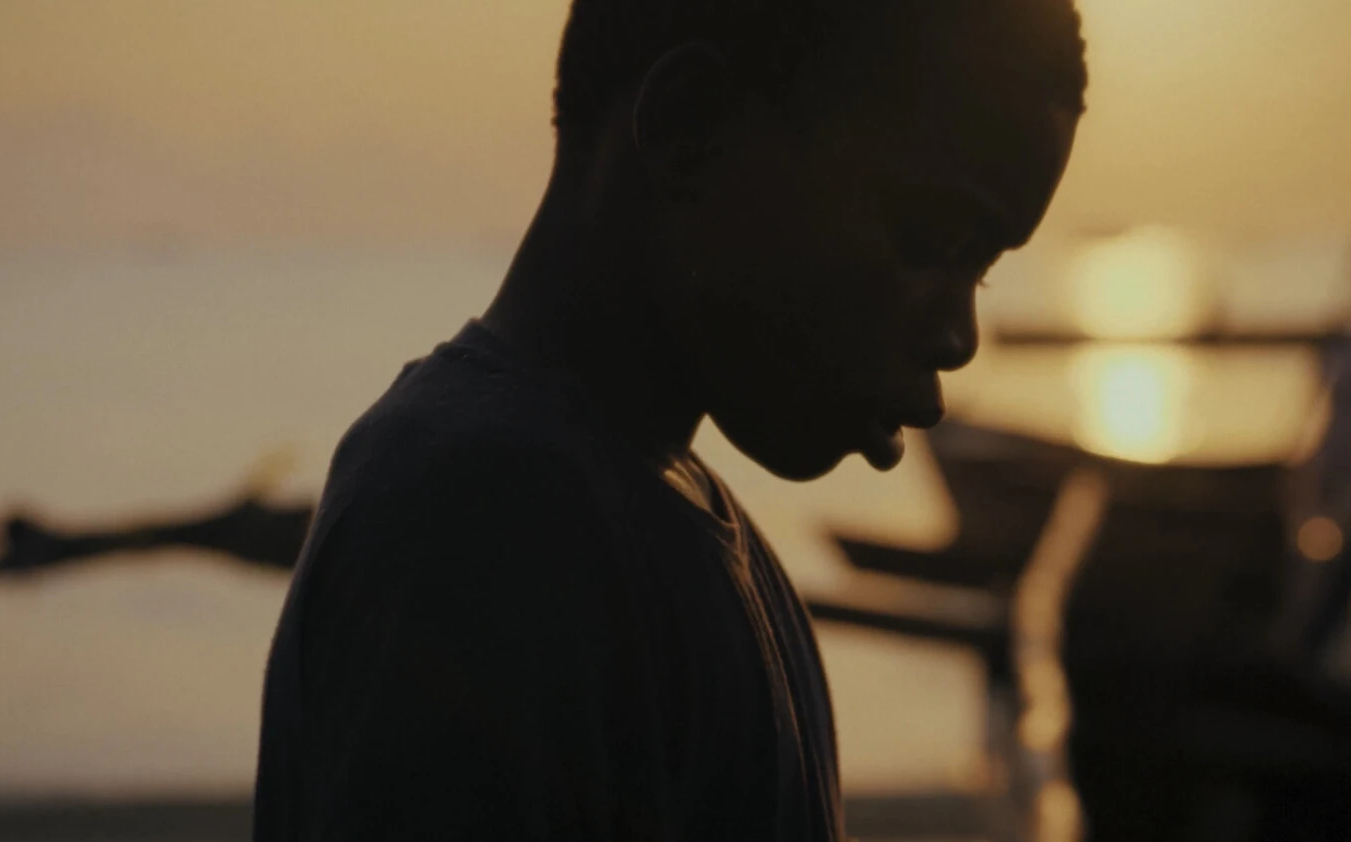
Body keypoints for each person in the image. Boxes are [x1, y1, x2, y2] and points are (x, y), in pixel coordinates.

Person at [251, 2, 1087, 839]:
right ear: (691, 127)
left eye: (980, 274)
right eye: (927, 242)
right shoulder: (482, 518)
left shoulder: (686, 540)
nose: (959, 340)